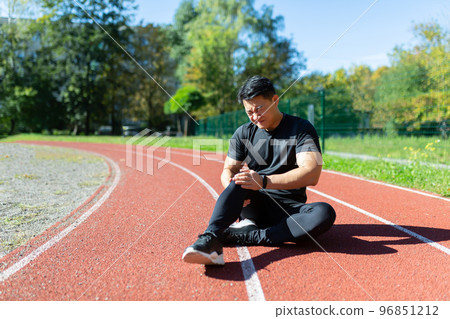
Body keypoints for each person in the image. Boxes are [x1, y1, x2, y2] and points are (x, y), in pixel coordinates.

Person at [182, 75, 336, 265]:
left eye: (259, 108)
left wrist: (263, 181)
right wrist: (239, 190)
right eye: (249, 112)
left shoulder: (301, 128)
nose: (255, 116)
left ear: (275, 100)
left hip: (288, 210)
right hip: (253, 205)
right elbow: (228, 169)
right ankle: (211, 238)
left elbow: (312, 173)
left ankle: (248, 236)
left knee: (324, 213)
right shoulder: (243, 132)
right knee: (238, 179)